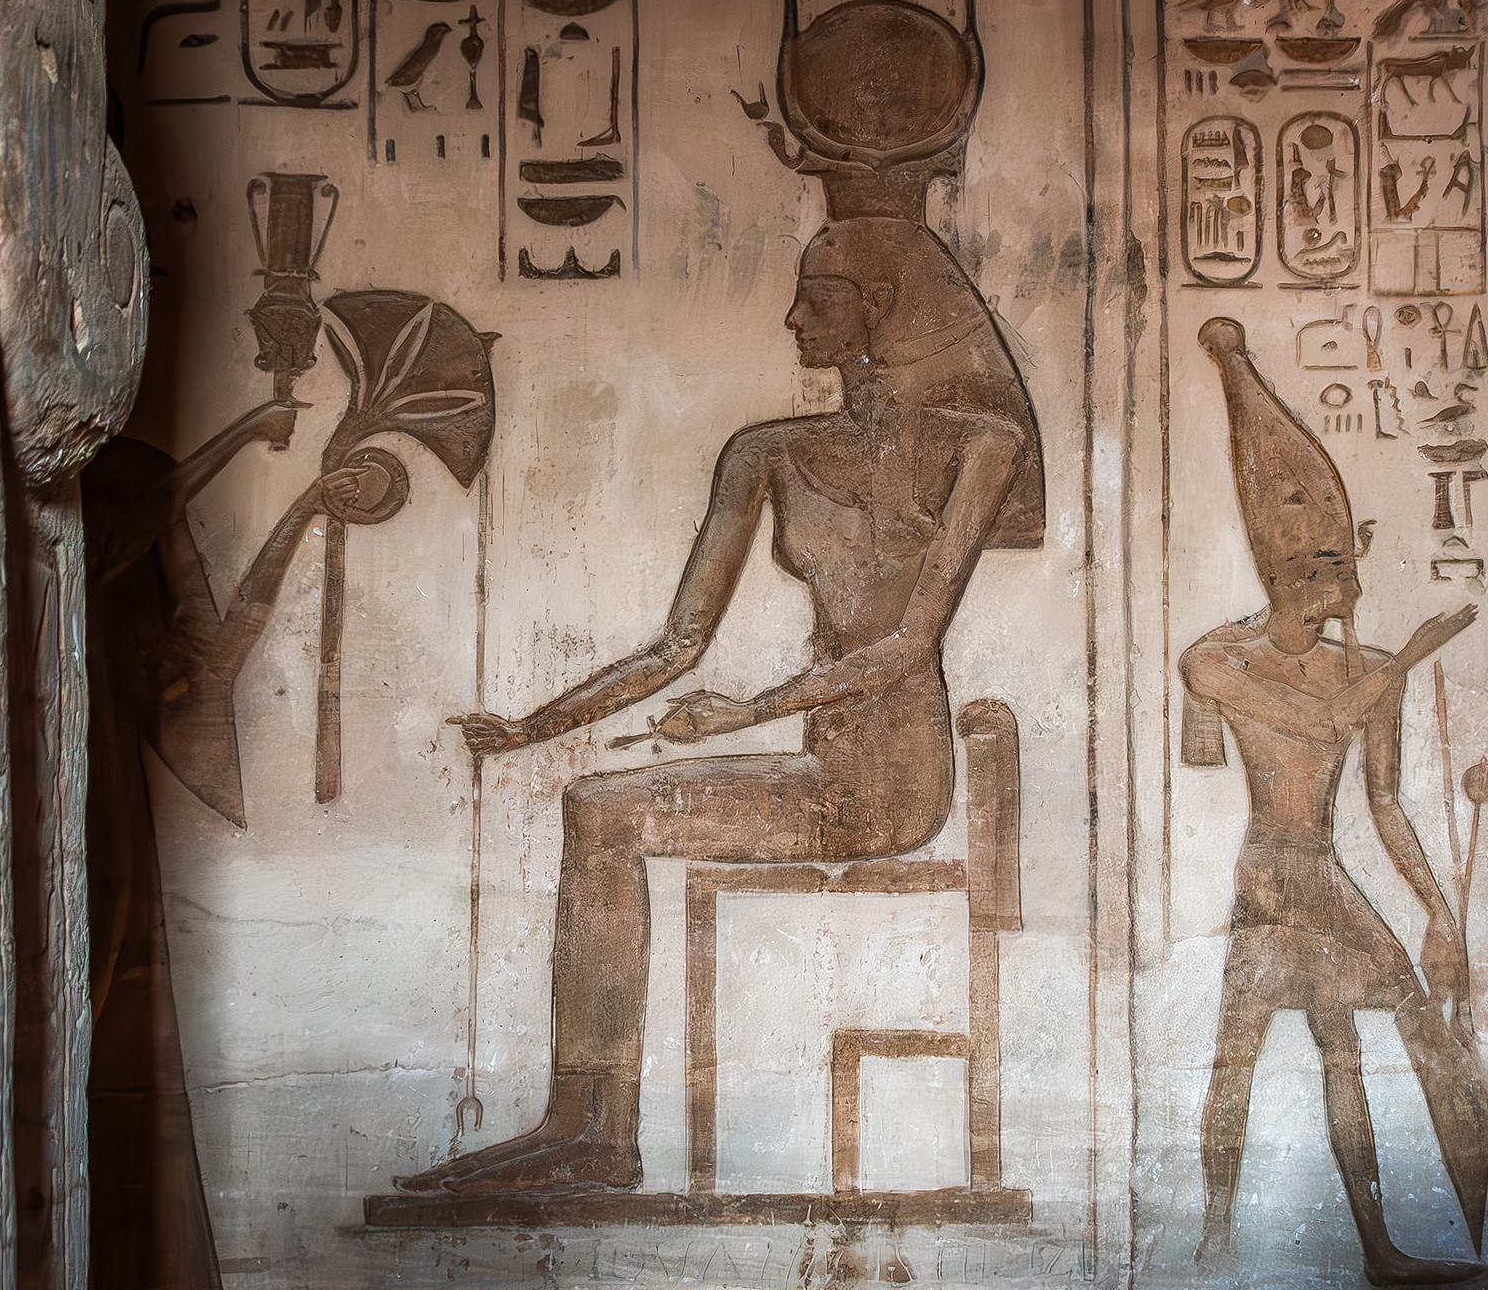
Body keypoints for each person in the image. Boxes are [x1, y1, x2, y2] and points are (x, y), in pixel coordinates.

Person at [397, 210, 1041, 1196]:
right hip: (818, 765)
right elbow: (677, 644)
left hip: (893, 783)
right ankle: (587, 1125)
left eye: (813, 297)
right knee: (596, 807)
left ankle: (594, 1133)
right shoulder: (766, 451)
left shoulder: (979, 445)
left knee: (609, 814)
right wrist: (533, 729)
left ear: (878, 307)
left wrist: (747, 713)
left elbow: (909, 645)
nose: (789, 318)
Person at [1183, 317, 1488, 1287]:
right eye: (1324, 572)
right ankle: (1218, 1235)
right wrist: (1407, 654)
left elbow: (1387, 805)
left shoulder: (1365, 667)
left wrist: (1442, 909)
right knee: (1239, 1051)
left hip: (1319, 866)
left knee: (1349, 1039)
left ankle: (1378, 1250)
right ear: (1282, 571)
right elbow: (1313, 727)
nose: (1343, 587)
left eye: (1344, 569)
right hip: (1271, 870)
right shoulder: (1221, 658)